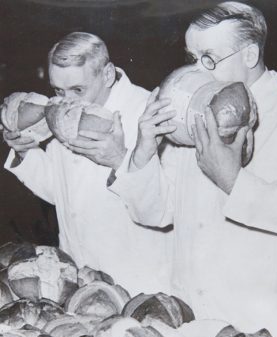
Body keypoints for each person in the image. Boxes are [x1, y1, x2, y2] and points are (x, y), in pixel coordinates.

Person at [110, 2, 277, 337]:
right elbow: (156, 213)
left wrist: (233, 181)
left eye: (209, 58)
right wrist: (144, 151)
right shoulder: (195, 116)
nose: (196, 70)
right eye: (192, 57)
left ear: (250, 55)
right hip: (192, 330)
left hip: (266, 334)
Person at [3, 32, 174, 296]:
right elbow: (60, 191)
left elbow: (160, 212)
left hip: (138, 283)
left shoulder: (149, 114)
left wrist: (119, 160)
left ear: (106, 75)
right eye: (58, 90)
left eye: (77, 90)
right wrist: (26, 152)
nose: (66, 101)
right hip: (77, 278)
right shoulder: (64, 112)